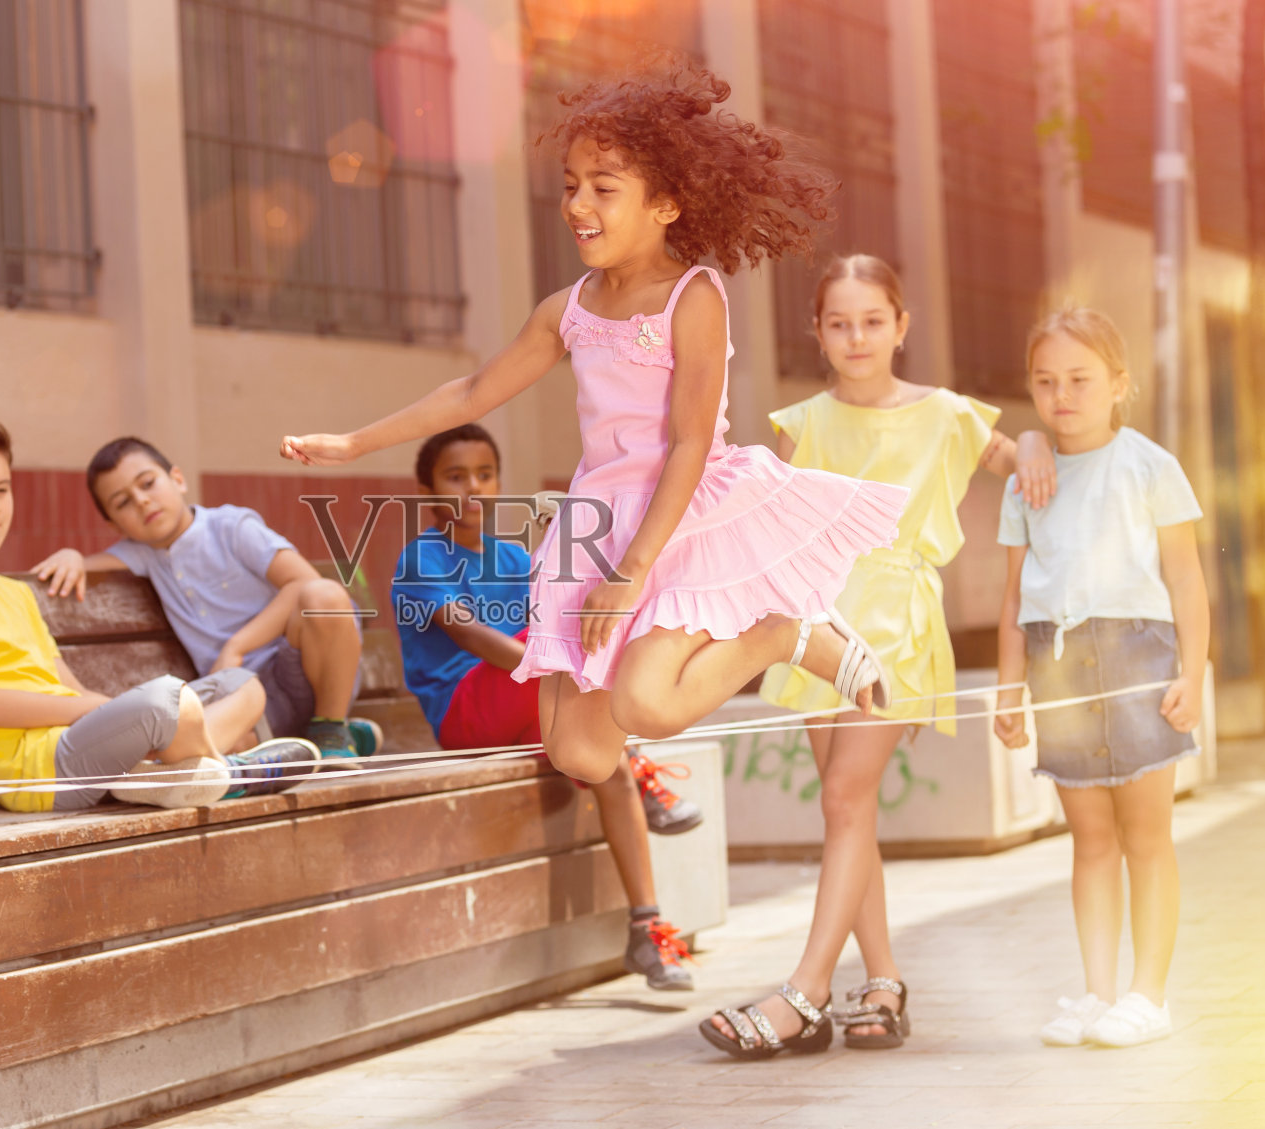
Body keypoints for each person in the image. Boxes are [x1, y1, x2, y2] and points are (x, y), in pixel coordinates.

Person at [281, 60, 911, 1054]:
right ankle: (748, 650)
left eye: (602, 187)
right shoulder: (566, 309)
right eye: (570, 184)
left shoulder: (692, 296)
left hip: (675, 516)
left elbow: (692, 442)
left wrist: (630, 572)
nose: (577, 203)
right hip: (593, 525)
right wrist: (351, 444)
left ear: (664, 204)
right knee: (580, 749)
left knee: (653, 705)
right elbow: (472, 390)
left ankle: (783, 627)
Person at [706, 255, 1057, 1056]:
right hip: (820, 621)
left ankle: (807, 991)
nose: (857, 336)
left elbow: (1011, 454)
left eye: (873, 320)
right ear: (817, 333)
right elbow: (781, 531)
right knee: (847, 810)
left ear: (901, 325)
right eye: (839, 322)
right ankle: (885, 981)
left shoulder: (945, 413)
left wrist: (1034, 437)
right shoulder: (804, 422)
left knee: (842, 800)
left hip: (895, 619)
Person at [395, 424, 700, 989]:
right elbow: (473, 638)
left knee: (606, 760)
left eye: (485, 475)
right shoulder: (423, 558)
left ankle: (646, 928)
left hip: (525, 704)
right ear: (428, 490)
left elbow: (550, 623)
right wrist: (558, 666)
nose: (474, 488)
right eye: (455, 477)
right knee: (576, 690)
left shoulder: (511, 558)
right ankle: (639, 767)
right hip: (468, 710)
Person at [0, 415, 318, 813]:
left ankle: (180, 771)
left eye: (2, 489)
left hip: (79, 743)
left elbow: (69, 687)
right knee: (167, 702)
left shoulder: (14, 593)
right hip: (40, 772)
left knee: (243, 686)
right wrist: (100, 710)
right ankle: (223, 769)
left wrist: (105, 714)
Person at [994, 308, 1207, 1048]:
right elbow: (1014, 595)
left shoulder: (1151, 465)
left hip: (1139, 658)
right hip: (1058, 663)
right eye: (1046, 381)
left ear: (1119, 384)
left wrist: (1194, 673)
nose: (1062, 395)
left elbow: (1186, 580)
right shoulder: (1028, 480)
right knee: (1089, 839)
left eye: (1081, 379)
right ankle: (1096, 991)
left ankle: (1149, 995)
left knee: (1146, 834)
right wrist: (1009, 685)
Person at [30, 437, 380, 763]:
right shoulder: (142, 554)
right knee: (208, 749)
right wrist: (72, 555)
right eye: (122, 502)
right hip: (241, 700)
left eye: (148, 483)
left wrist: (236, 647)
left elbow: (303, 581)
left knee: (326, 595)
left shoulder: (231, 526)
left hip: (302, 672)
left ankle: (333, 732)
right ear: (115, 525)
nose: (142, 501)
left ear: (177, 479)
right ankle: (324, 740)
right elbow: (89, 565)